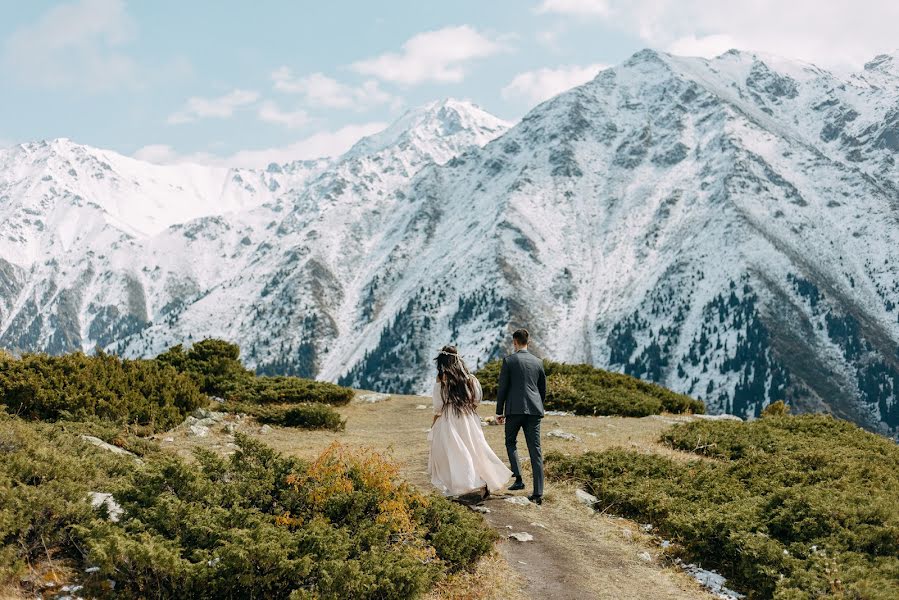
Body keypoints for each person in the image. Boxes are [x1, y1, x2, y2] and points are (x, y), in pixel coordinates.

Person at [428, 345, 512, 498]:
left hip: (450, 418)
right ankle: (483, 479)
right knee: (476, 449)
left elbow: (438, 405)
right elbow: (476, 399)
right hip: (468, 417)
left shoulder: (442, 378)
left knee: (453, 452)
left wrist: (434, 422)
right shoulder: (469, 378)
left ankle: (460, 484)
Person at [495, 329, 546, 504]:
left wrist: (499, 411)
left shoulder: (509, 361)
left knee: (510, 442)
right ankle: (538, 493)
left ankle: (518, 479)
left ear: (515, 342)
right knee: (536, 450)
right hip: (534, 410)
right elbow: (542, 389)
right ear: (528, 342)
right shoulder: (538, 362)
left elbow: (502, 388)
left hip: (514, 410)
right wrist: (539, 406)